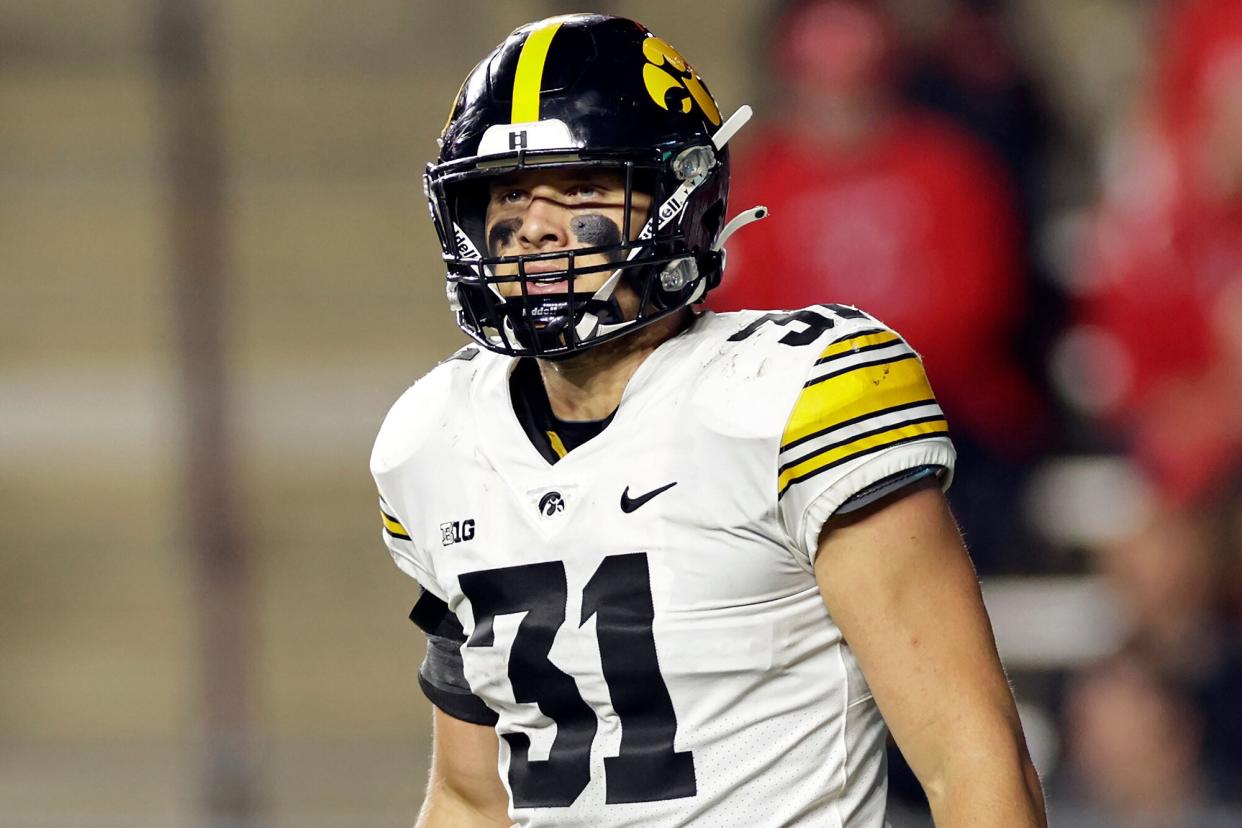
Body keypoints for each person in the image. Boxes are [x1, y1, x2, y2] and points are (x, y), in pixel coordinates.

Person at [371, 13, 1045, 827]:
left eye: (580, 185)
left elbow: (969, 756)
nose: (535, 225)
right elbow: (473, 799)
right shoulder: (436, 438)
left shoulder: (793, 396)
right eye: (508, 192)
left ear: (677, 197)